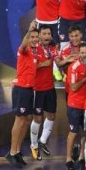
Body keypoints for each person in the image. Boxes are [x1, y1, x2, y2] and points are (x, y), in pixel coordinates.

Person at [5, 24, 39, 168]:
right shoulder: (23, 50)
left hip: (29, 89)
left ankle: (18, 150)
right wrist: (30, 30)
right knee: (19, 120)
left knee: (28, 119)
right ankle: (12, 153)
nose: (34, 39)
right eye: (32, 37)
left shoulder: (34, 53)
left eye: (36, 37)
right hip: (21, 89)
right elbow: (23, 44)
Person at [30, 25, 65, 161]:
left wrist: (65, 61)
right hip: (37, 89)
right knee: (38, 118)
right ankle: (33, 145)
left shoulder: (52, 48)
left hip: (49, 88)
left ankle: (42, 141)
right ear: (39, 36)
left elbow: (58, 61)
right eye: (44, 34)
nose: (46, 36)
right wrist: (45, 64)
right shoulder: (34, 49)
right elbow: (31, 66)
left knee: (51, 115)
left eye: (48, 34)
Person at [64, 42, 86, 170]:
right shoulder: (74, 67)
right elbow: (73, 87)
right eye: (82, 52)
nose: (85, 54)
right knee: (73, 132)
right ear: (78, 53)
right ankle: (68, 159)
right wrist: (85, 79)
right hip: (75, 105)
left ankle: (82, 157)